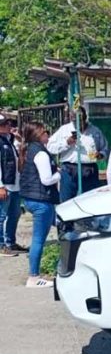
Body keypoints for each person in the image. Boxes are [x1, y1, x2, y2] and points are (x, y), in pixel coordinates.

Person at [19, 122, 60, 288]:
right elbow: (46, 179)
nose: (48, 135)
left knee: (63, 225)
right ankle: (34, 277)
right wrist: (59, 174)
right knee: (38, 240)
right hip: (41, 201)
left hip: (31, 198)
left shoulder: (30, 150)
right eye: (45, 132)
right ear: (37, 135)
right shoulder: (41, 154)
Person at [48, 107, 108, 202]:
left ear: (85, 118)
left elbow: (104, 149)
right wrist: (66, 143)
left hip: (89, 170)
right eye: (74, 121)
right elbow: (50, 147)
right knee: (67, 202)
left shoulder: (95, 131)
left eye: (80, 120)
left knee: (90, 200)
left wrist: (100, 155)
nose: (78, 124)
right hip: (69, 169)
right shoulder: (64, 130)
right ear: (71, 118)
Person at [0, 114, 26, 257]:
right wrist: (0, 186)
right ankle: (1, 245)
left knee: (14, 215)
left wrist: (19, 140)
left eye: (8, 124)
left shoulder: (9, 141)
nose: (8, 126)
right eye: (5, 124)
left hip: (14, 184)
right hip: (6, 185)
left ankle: (10, 242)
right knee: (2, 216)